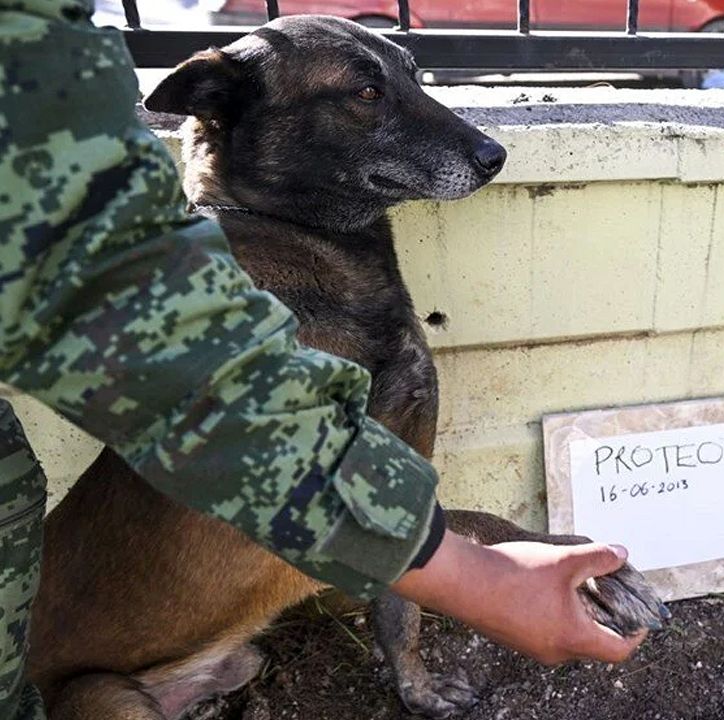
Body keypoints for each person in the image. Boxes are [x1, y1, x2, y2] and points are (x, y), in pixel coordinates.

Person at [0, 0, 646, 716]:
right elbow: (294, 464)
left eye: (404, 81)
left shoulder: (311, 296)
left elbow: (376, 499)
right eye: (367, 97)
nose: (475, 145)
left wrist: (471, 579)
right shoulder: (226, 320)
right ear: (223, 110)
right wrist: (489, 562)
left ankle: (407, 673)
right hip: (94, 685)